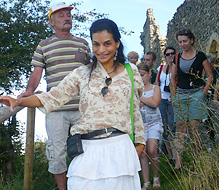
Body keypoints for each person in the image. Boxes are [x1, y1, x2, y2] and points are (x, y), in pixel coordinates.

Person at [1, 18, 145, 190]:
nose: (101, 50)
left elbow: (134, 108)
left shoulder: (131, 72)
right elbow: (53, 97)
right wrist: (19, 101)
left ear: (117, 43)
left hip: (120, 148)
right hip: (88, 150)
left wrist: (141, 143)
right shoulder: (81, 74)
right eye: (96, 44)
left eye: (107, 44)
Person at [17, 2, 91, 189]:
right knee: (57, 153)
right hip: (56, 108)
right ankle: (63, 188)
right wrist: (29, 92)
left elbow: (92, 72)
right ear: (51, 22)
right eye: (61, 15)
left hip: (83, 107)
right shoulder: (44, 45)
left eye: (68, 14)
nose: (67, 17)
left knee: (87, 150)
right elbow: (37, 72)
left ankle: (84, 185)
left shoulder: (82, 43)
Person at [170, 29, 213, 171]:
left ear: (191, 40)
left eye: (185, 41)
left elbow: (210, 76)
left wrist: (203, 93)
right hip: (180, 95)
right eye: (180, 42)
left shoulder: (200, 56)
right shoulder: (177, 57)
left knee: (194, 127)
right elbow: (173, 77)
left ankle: (196, 160)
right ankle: (178, 164)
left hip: (196, 94)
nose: (183, 44)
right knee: (180, 129)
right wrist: (173, 94)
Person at [138, 63, 163, 189]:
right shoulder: (134, 90)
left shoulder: (155, 88)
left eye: (142, 75)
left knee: (152, 150)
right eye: (137, 76)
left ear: (149, 74)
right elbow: (134, 107)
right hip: (140, 125)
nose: (140, 78)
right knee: (143, 153)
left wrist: (142, 99)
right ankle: (146, 181)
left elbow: (155, 103)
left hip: (154, 123)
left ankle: (156, 177)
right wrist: (145, 101)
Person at [156, 46, 176, 165]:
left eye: (172, 53)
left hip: (173, 100)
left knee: (172, 127)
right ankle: (170, 156)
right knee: (164, 128)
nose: (170, 56)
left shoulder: (177, 68)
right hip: (162, 100)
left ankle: (175, 155)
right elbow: (157, 83)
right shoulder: (161, 68)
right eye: (168, 54)